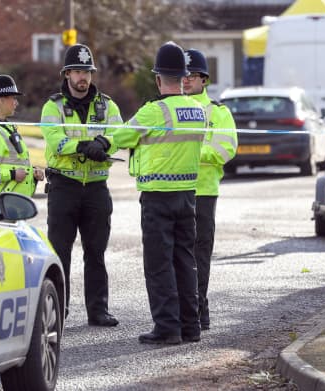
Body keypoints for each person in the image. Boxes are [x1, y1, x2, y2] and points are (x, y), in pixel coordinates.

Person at [113, 41, 206, 344]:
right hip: (188, 194)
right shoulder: (197, 110)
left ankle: (167, 328)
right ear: (183, 77)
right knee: (185, 260)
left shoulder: (154, 112)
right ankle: (190, 327)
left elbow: (121, 135)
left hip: (157, 196)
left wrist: (99, 144)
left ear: (157, 78)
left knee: (159, 264)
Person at [40, 43, 122, 327]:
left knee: (96, 252)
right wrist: (86, 146)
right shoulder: (53, 107)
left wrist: (104, 142)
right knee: (60, 253)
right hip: (64, 187)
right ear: (66, 74)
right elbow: (56, 142)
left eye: (86, 71)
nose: (82, 77)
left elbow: (120, 133)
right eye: (76, 71)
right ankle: (58, 311)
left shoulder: (107, 105)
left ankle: (98, 310)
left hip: (97, 188)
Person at [183, 49, 238, 331]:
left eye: (192, 76)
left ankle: (199, 310)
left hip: (203, 191)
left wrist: (191, 152)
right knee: (177, 256)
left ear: (204, 79)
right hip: (174, 188)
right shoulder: (169, 108)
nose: (186, 80)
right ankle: (185, 312)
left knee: (199, 255)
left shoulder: (218, 112)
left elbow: (226, 148)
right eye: (183, 75)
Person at [0, 74, 44, 197]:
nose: (16, 103)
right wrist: (12, 174)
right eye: (13, 98)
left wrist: (33, 173)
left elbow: (15, 163)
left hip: (14, 203)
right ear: (1, 100)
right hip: (0, 205)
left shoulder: (7, 128)